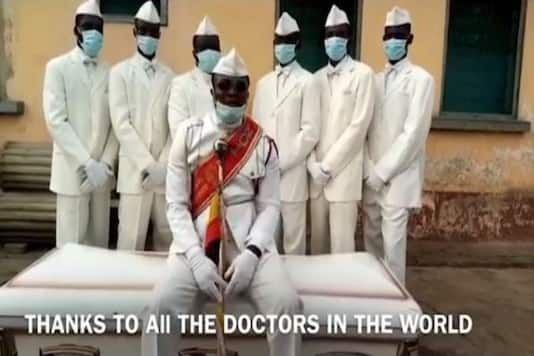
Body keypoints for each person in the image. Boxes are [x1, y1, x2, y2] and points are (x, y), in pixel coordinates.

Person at [141, 49, 302, 356]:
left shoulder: (262, 144)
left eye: (239, 86)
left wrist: (253, 253)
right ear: (212, 88)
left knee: (287, 305)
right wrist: (196, 258)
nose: (231, 94)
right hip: (196, 244)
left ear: (248, 92)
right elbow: (176, 205)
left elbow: (270, 206)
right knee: (159, 308)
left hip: (248, 243)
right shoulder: (188, 136)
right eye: (225, 85)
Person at [363, 7, 435, 285]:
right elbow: (367, 127)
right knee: (371, 245)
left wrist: (383, 172)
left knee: (393, 249)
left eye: (398, 35)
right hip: (371, 177)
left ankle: (395, 309)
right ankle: (375, 296)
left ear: (409, 38)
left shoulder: (421, 80)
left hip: (397, 178)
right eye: (388, 35)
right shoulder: (375, 81)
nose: (392, 41)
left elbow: (413, 133)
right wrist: (370, 168)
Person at [43, 0, 117, 248]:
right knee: (70, 247)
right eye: (88, 26)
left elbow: (116, 124)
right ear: (76, 30)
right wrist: (87, 163)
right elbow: (56, 120)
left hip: (101, 177)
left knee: (99, 245)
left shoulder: (110, 72)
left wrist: (105, 162)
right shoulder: (57, 68)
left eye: (98, 27)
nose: (94, 33)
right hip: (72, 172)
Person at [308, 5, 375, 254]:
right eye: (329, 34)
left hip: (344, 175)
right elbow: (309, 127)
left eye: (339, 33)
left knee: (342, 248)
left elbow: (358, 128)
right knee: (318, 245)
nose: (333, 39)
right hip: (315, 178)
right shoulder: (314, 78)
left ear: (348, 37)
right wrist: (312, 165)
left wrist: (328, 166)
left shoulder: (363, 74)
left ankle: (342, 293)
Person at [109, 1, 174, 251]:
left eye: (154, 31)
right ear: (135, 32)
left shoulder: (170, 76)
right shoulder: (119, 73)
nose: (149, 37)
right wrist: (148, 165)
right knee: (130, 237)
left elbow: (173, 125)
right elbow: (121, 124)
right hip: (135, 170)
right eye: (144, 31)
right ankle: (125, 288)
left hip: (164, 172)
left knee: (166, 237)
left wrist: (163, 165)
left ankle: (167, 289)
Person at [253, 12, 319, 255]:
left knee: (294, 242)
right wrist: (264, 163)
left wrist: (281, 162)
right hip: (265, 177)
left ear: (297, 44)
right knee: (267, 241)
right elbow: (256, 129)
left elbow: (310, 131)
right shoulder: (263, 83)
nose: (282, 46)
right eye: (278, 41)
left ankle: (295, 289)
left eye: (288, 41)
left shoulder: (308, 82)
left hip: (293, 175)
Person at [168, 16, 221, 139]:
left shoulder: (228, 84)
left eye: (214, 47)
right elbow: (178, 131)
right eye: (205, 48)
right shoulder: (181, 84)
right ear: (194, 53)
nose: (210, 52)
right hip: (193, 156)